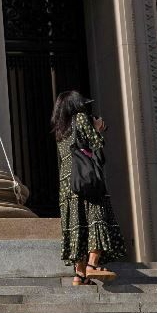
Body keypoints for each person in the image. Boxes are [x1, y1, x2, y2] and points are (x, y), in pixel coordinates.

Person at [51, 91, 126, 286]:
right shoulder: (80, 118)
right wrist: (98, 128)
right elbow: (96, 144)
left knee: (78, 225)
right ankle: (92, 264)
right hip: (86, 179)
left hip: (68, 184)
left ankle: (80, 275)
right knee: (96, 218)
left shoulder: (60, 129)